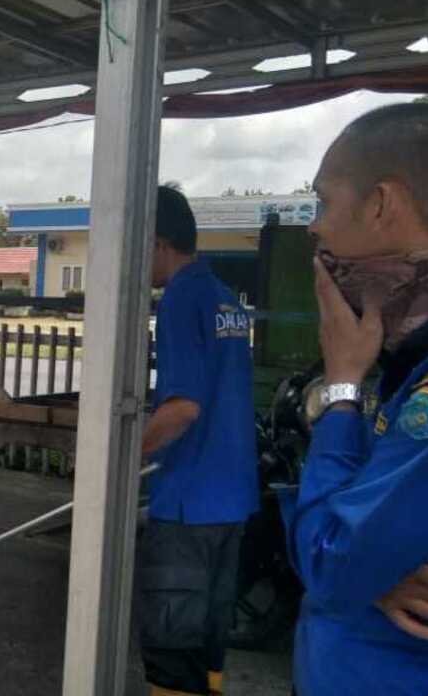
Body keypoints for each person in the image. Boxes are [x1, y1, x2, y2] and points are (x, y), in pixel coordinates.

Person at [279, 101, 428, 695]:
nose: (314, 227)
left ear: (380, 205)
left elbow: (331, 563)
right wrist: (374, 563)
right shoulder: (403, 359)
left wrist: (343, 387)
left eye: (323, 203)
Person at [137, 186, 259, 696]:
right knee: (208, 646)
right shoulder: (224, 298)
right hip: (231, 502)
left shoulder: (181, 298)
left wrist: (121, 458)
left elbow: (183, 406)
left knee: (171, 650)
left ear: (159, 243)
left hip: (188, 504)